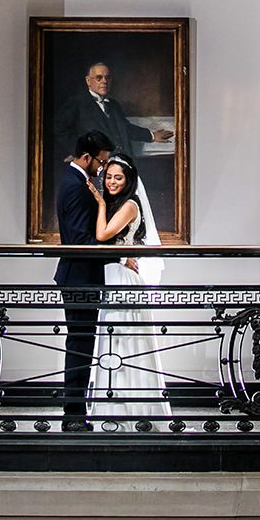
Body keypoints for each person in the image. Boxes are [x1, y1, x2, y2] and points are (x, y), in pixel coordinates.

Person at [86, 154, 171, 425]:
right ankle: (111, 409)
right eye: (108, 177)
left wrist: (99, 203)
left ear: (128, 180)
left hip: (123, 279)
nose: (111, 182)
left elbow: (102, 236)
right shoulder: (118, 203)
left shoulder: (130, 205)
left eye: (117, 178)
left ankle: (135, 410)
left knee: (125, 339)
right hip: (114, 274)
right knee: (113, 340)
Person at [53, 130, 114, 430]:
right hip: (79, 277)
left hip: (80, 276)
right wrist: (117, 255)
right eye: (101, 163)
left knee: (82, 344)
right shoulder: (76, 186)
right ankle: (73, 416)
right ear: (86, 157)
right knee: (79, 346)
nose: (102, 168)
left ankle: (75, 413)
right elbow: (81, 240)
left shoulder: (76, 180)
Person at [50, 61, 176, 164]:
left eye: (107, 77)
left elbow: (126, 128)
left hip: (123, 162)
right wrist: (78, 151)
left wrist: (151, 135)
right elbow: (58, 128)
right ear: (88, 81)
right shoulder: (76, 103)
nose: (104, 81)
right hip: (96, 165)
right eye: (99, 78)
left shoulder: (114, 105)